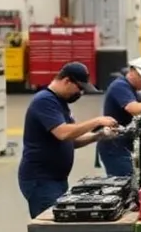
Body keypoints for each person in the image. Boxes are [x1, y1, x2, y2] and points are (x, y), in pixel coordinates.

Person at [18, 62, 117, 218]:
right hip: (41, 180)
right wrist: (97, 121)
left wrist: (98, 136)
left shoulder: (60, 103)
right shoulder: (45, 101)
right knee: (51, 231)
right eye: (80, 88)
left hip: (56, 180)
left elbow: (71, 140)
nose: (81, 94)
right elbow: (63, 133)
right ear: (66, 81)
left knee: (60, 226)